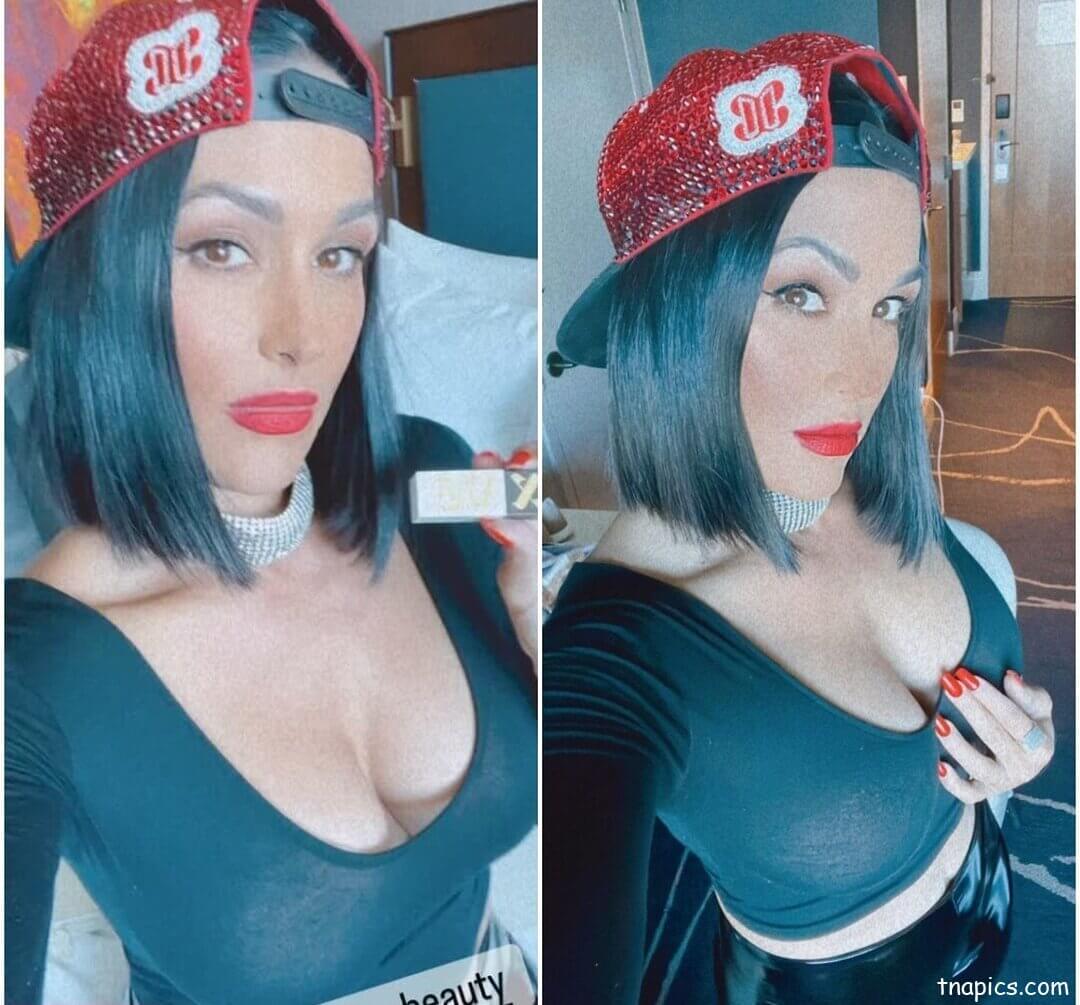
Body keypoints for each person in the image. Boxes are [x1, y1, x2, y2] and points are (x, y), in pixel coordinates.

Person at [5, 3, 537, 1003]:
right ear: (99, 277)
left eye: (339, 256)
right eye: (222, 247)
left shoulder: (428, 477)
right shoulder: (28, 673)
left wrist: (544, 637)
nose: (302, 335)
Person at [543, 32, 1054, 1005]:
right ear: (679, 306)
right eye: (801, 293)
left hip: (989, 902)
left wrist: (1023, 756)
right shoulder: (611, 656)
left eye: (890, 308)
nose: (862, 378)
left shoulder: (868, 474)